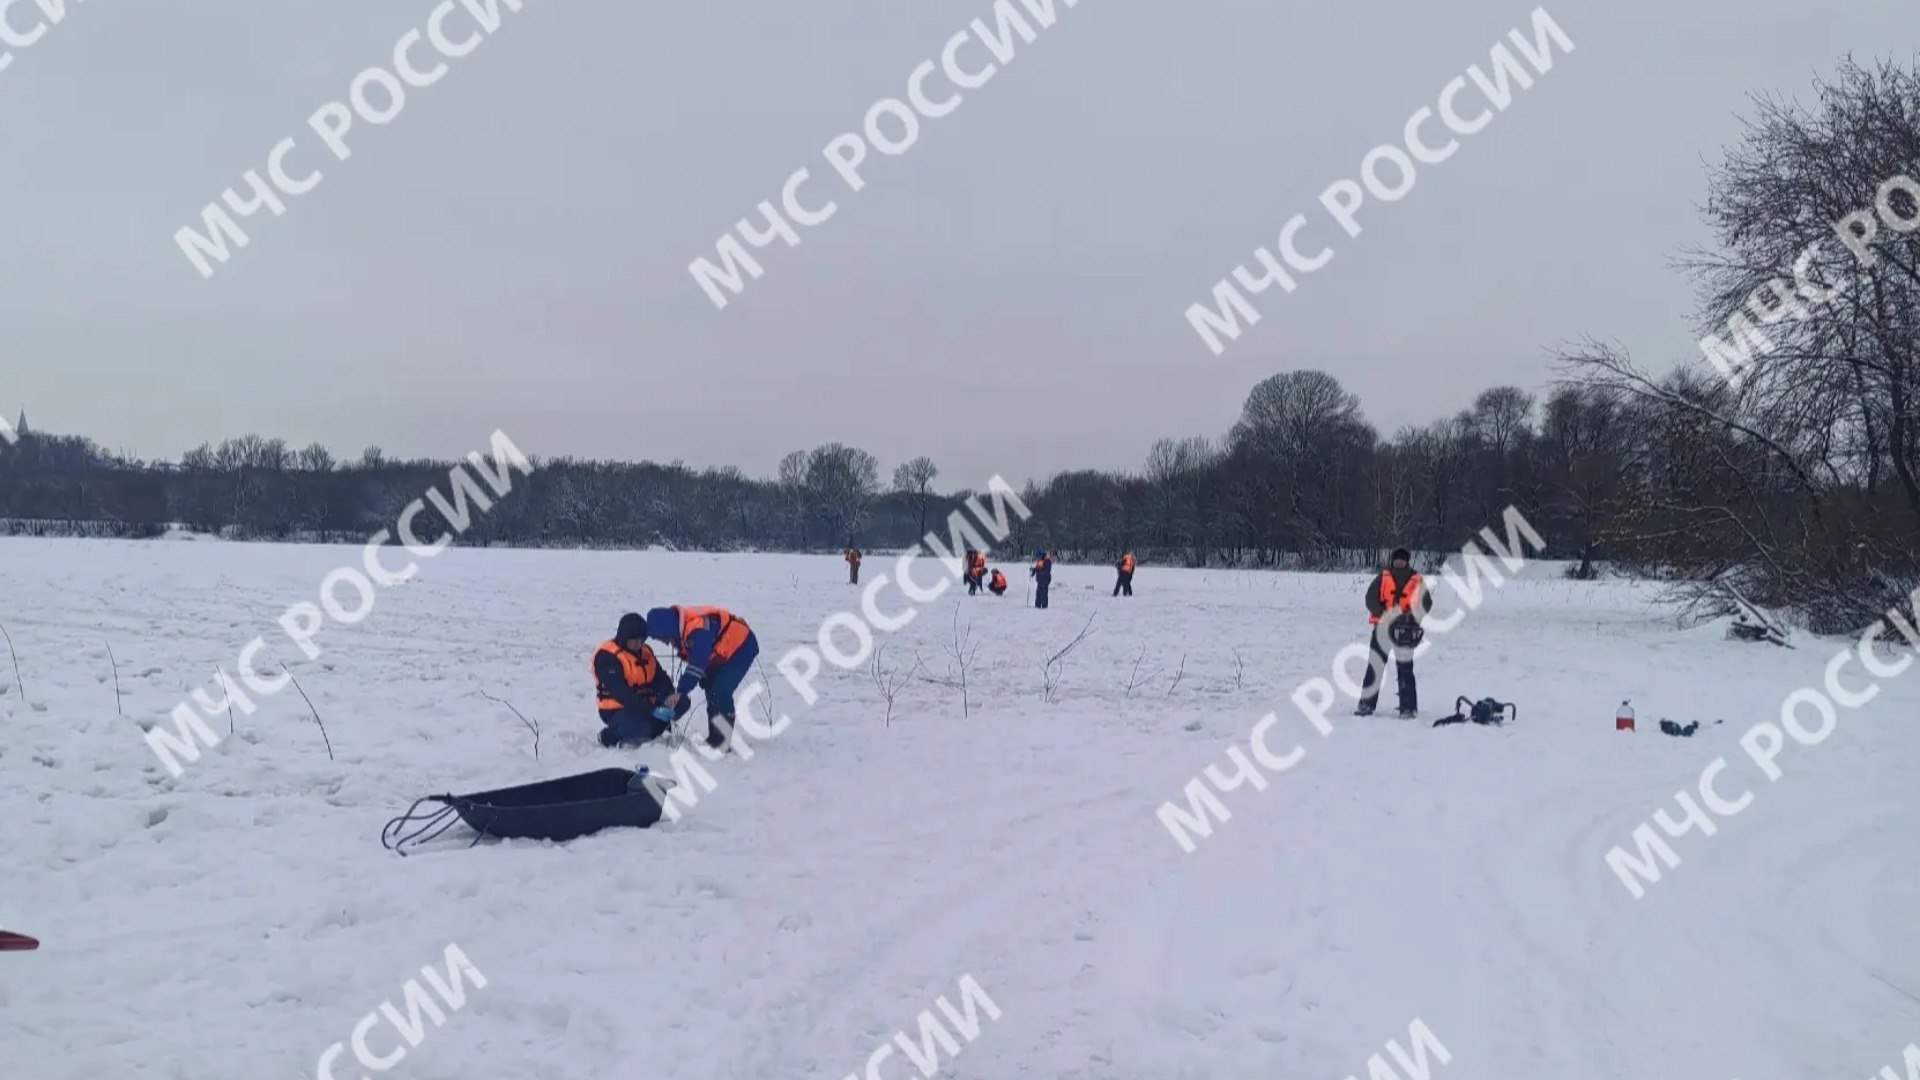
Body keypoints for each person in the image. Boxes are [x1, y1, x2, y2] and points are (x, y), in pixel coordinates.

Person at [646, 604, 762, 750]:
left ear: (667, 628)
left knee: (721, 691)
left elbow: (698, 663)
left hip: (742, 648)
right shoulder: (681, 631)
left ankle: (722, 742)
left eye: (662, 637)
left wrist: (681, 691)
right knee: (711, 688)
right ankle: (715, 738)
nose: (664, 642)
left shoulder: (697, 630)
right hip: (720, 652)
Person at [1356, 548, 1433, 717]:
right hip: (1382, 629)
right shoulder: (1382, 577)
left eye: (1402, 560)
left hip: (1406, 631)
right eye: (1396, 560)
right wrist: (1383, 614)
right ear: (1393, 561)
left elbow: (1426, 603)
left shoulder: (1417, 580)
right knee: (1375, 667)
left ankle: (1408, 708)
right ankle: (1366, 705)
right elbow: (1370, 598)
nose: (1399, 562)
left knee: (1405, 669)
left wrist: (1411, 617)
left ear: (1407, 561)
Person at [594, 613, 689, 748]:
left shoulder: (646, 652)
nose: (639, 644)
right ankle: (610, 735)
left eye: (641, 639)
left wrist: (668, 695)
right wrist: (651, 710)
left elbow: (660, 678)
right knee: (639, 728)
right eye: (634, 640)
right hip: (620, 710)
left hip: (649, 707)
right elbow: (620, 692)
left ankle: (657, 726)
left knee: (682, 702)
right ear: (624, 637)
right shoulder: (607, 657)